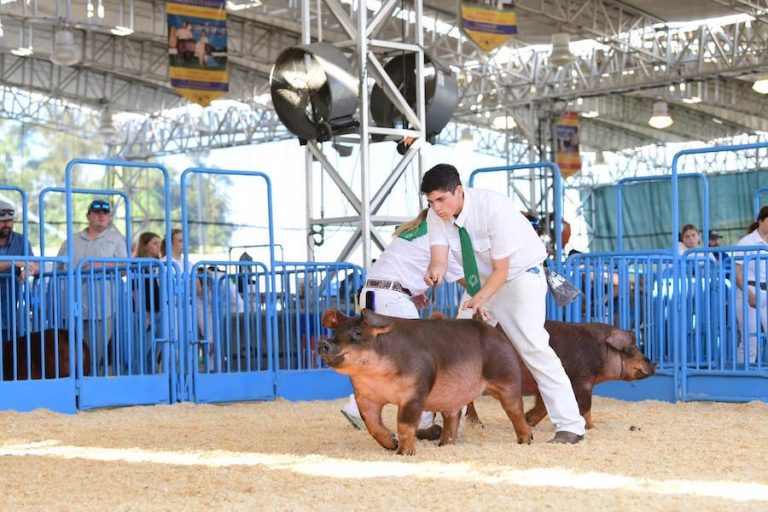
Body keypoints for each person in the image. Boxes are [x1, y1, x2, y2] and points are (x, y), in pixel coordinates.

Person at [420, 164, 586, 444]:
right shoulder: (437, 216)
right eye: (430, 201)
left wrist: (481, 300)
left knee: (532, 345)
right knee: (457, 352)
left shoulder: (494, 208)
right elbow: (440, 257)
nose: (436, 207)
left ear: (458, 191)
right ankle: (446, 426)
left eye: (440, 199)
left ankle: (570, 425)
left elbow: (502, 270)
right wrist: (435, 271)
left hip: (520, 278)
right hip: (479, 283)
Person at [340, 209, 464, 432]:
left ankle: (355, 405)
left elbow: (401, 266)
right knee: (419, 359)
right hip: (390, 297)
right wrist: (489, 290)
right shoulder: (438, 236)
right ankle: (423, 418)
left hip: (373, 293)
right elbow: (460, 275)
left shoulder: (412, 231)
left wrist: (412, 290)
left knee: (385, 358)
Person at [57, 199, 128, 375]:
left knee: (93, 353)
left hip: (103, 307)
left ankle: (86, 388)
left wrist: (100, 265)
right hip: (73, 306)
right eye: (97, 212)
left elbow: (125, 268)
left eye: (105, 213)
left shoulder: (115, 239)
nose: (102, 216)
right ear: (88, 216)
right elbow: (58, 268)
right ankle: (72, 389)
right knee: (69, 352)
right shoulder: (71, 240)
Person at [0, 200, 39, 345]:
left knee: (10, 354)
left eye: (10, 221)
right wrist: (13, 262)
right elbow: (19, 261)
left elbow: (34, 265)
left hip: (9, 311)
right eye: (2, 221)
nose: (7, 225)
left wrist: (28, 270)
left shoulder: (21, 240)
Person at [734, 206, 768, 365]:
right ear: (761, 220)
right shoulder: (746, 242)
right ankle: (742, 378)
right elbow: (737, 272)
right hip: (750, 290)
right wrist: (749, 294)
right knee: (750, 341)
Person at [133, 232, 163, 373]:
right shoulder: (137, 265)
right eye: (154, 243)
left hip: (159, 310)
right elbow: (136, 291)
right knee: (143, 348)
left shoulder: (160, 265)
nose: (158, 246)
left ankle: (153, 377)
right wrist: (143, 315)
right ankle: (141, 376)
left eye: (159, 243)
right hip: (145, 312)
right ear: (145, 246)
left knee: (157, 348)